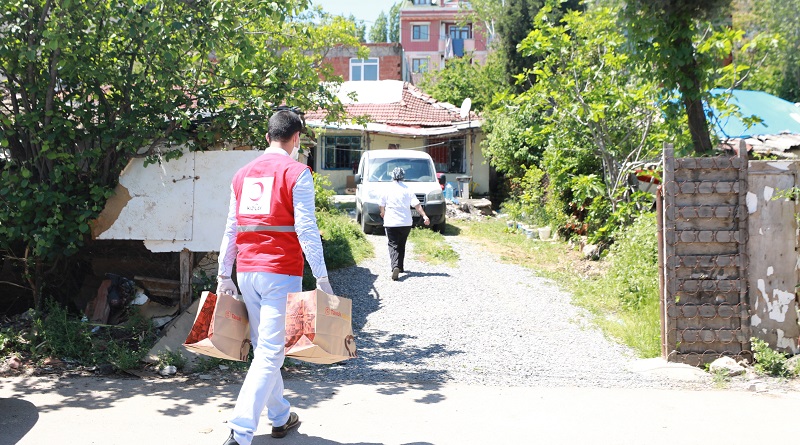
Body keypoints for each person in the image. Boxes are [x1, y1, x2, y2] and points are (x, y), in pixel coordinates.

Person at [217, 109, 334, 445]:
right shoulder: (297, 172)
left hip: (247, 272)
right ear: (296, 139)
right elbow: (306, 228)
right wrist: (322, 277)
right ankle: (240, 431)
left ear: (267, 137)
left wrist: (224, 273)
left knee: (264, 348)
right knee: (271, 351)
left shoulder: (241, 175)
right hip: (280, 272)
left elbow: (231, 227)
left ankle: (280, 416)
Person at [379, 167, 430, 281]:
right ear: (403, 176)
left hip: (391, 222)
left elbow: (381, 204)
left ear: (392, 176)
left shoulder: (387, 189)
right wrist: (424, 216)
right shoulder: (408, 189)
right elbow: (417, 205)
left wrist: (383, 213)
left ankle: (395, 266)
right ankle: (400, 267)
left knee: (393, 244)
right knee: (402, 244)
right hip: (405, 222)